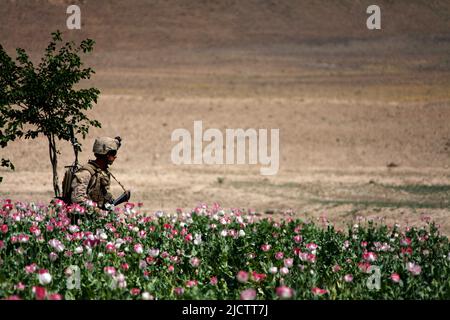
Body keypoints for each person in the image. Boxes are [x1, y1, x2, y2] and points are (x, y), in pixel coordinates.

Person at [71, 136, 129, 209]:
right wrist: (97, 211)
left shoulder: (103, 172)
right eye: (113, 153)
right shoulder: (86, 173)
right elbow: (77, 199)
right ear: (106, 155)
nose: (115, 156)